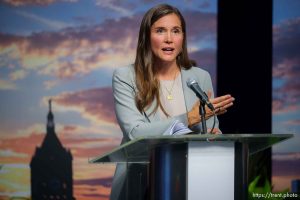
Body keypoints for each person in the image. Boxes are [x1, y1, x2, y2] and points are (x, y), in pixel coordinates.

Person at [110, 4, 235, 200]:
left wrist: (212, 134)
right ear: (146, 37)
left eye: (175, 31)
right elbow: (135, 133)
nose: (169, 38)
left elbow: (208, 130)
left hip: (190, 180)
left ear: (183, 38)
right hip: (140, 180)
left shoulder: (199, 76)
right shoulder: (126, 76)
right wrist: (189, 118)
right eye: (160, 30)